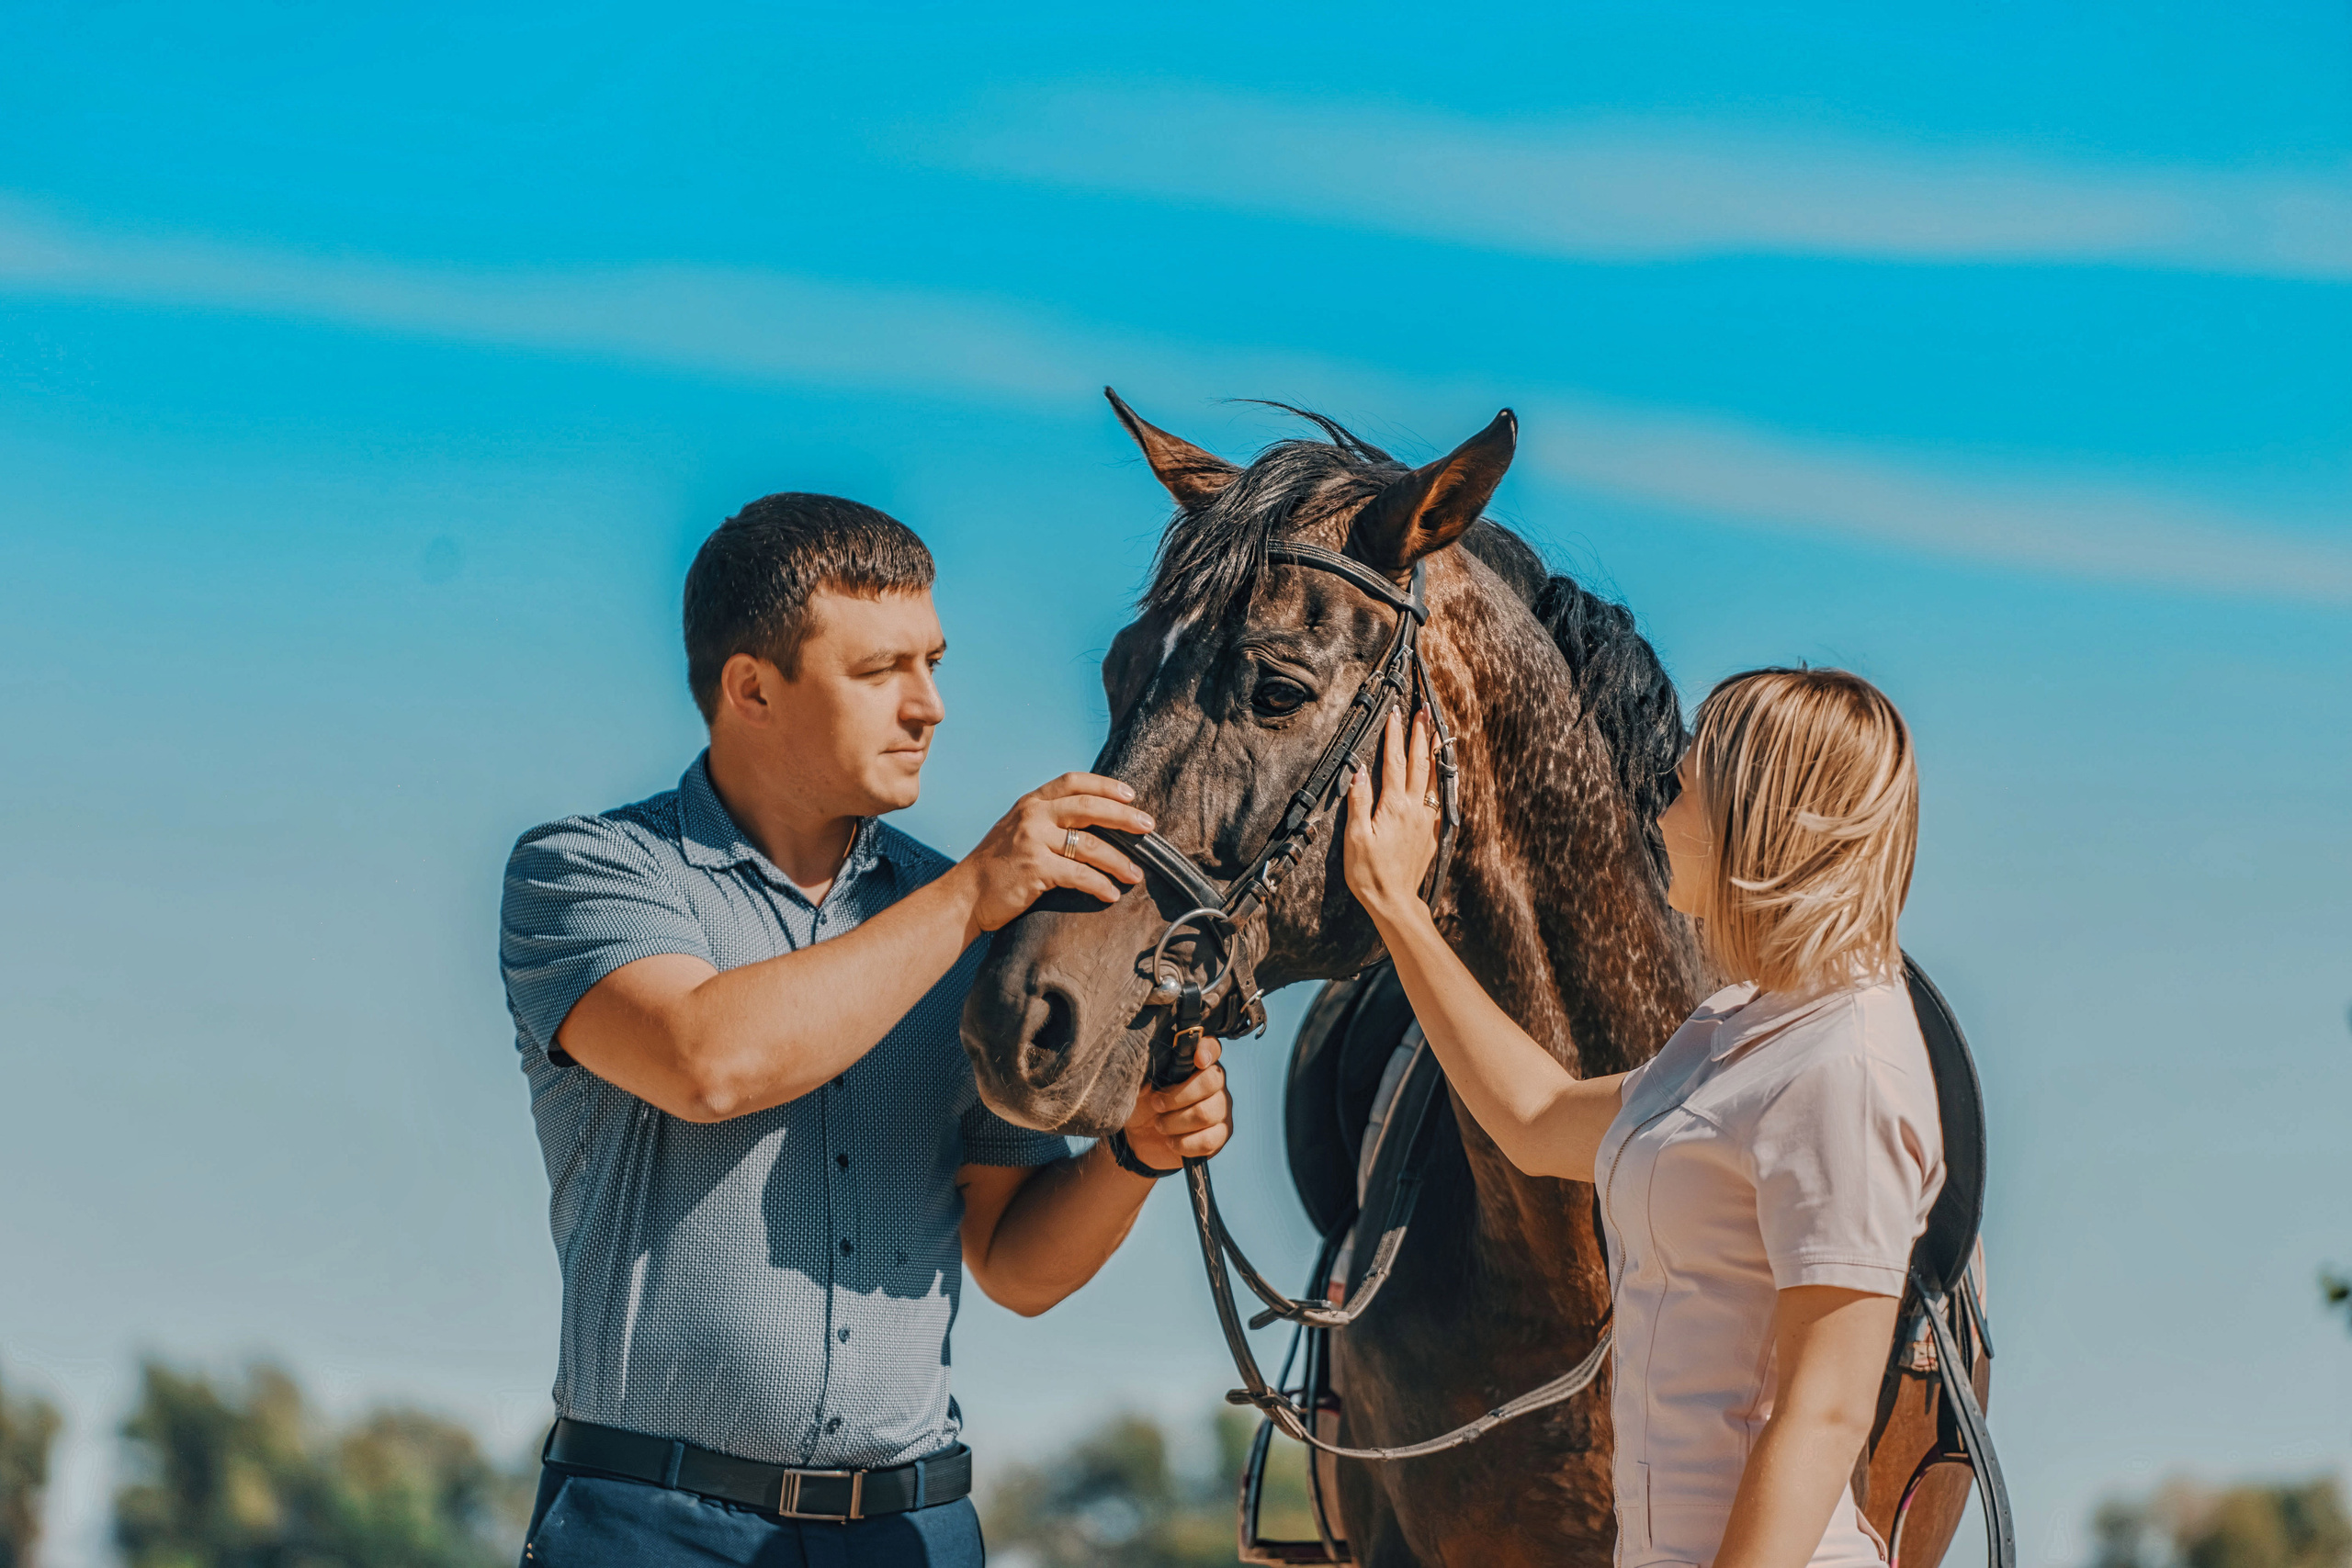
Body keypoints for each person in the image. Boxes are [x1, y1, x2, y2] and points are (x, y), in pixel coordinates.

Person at [498, 492, 1234, 1568]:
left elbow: (1015, 1267)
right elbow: (705, 1062)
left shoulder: (968, 924)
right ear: (752, 688)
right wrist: (972, 896)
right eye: (879, 671)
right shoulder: (590, 871)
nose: (928, 706)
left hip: (910, 1532)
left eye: (932, 662)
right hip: (650, 1526)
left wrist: (1135, 1155)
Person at [1343, 666, 1940, 1568]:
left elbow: (1824, 1413)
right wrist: (1396, 905)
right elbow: (1537, 1120)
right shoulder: (1735, 1030)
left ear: (1759, 818)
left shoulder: (1844, 1069)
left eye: (1686, 789)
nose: (1660, 816)